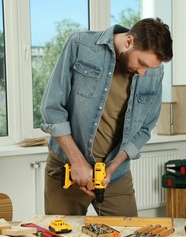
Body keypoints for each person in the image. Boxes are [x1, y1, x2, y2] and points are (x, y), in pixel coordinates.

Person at [40, 17, 173, 216]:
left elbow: (145, 128)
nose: (144, 73)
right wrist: (77, 162)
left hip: (114, 175)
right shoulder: (81, 45)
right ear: (129, 41)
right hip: (68, 168)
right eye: (142, 63)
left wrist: (113, 168)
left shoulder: (155, 72)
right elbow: (52, 108)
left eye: (149, 68)